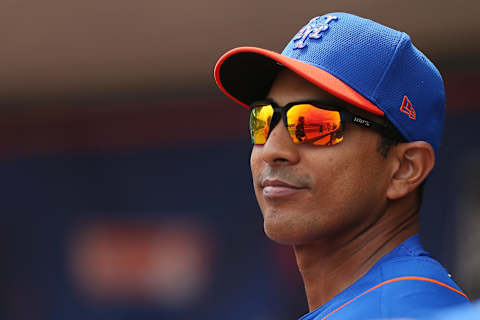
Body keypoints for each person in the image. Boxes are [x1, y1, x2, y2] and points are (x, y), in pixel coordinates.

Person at [214, 12, 470, 319]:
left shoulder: (404, 311)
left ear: (405, 168)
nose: (272, 149)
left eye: (314, 124)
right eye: (263, 120)